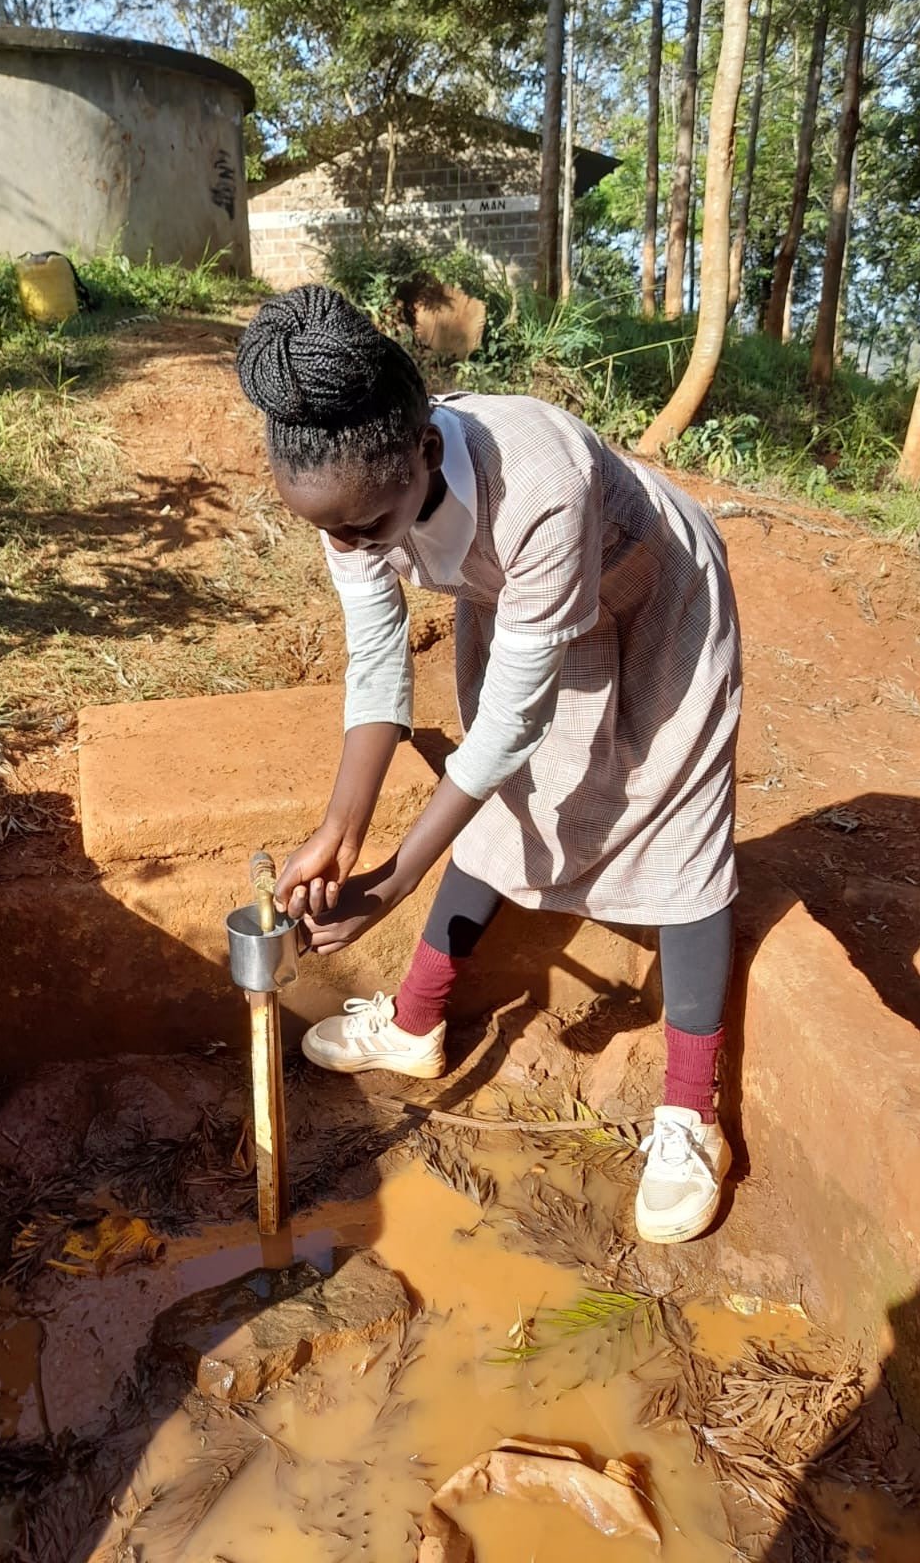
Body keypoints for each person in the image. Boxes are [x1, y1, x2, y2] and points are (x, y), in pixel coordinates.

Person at [235, 284, 742, 1246]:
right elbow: (379, 661)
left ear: (426, 453)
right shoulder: (351, 487)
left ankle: (688, 1113)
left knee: (678, 825)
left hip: (654, 593)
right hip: (519, 607)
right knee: (505, 807)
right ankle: (417, 1022)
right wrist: (340, 832)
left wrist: (390, 881)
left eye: (366, 530)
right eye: (328, 532)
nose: (348, 549)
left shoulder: (538, 481)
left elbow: (505, 727)